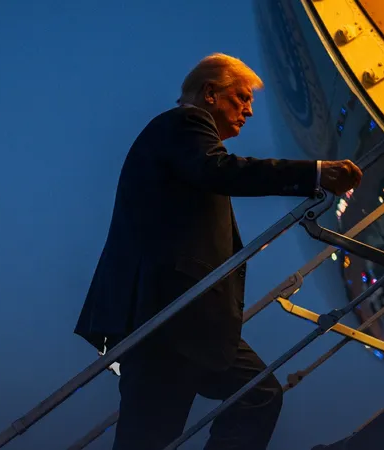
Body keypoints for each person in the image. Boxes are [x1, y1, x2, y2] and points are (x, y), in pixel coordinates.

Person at [74, 53, 362, 450]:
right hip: (167, 314)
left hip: (185, 319)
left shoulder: (182, 142)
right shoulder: (186, 122)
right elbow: (219, 170)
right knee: (165, 429)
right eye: (242, 97)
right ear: (210, 93)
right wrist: (313, 173)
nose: (249, 111)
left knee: (252, 397)